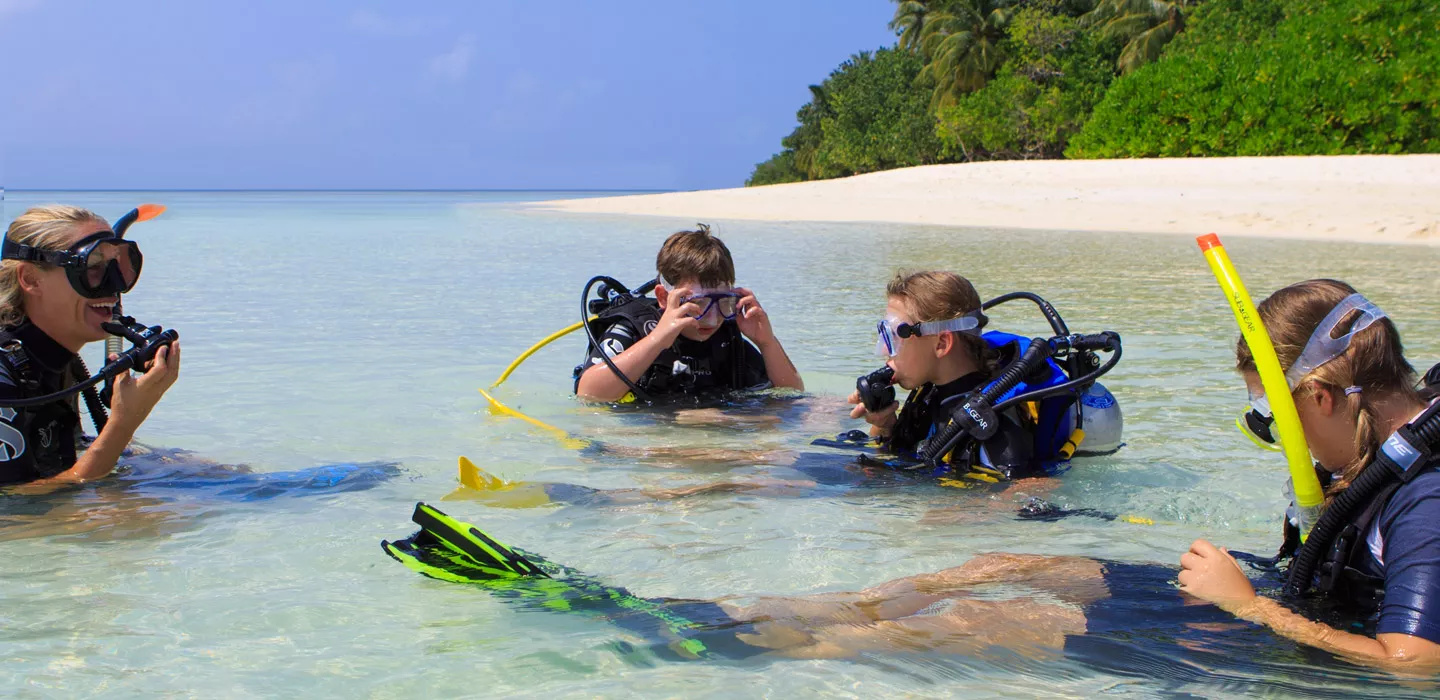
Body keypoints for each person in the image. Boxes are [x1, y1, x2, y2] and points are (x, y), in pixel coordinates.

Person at [1179, 279, 1440, 669]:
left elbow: (1415, 665)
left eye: (1275, 417)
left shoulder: (1425, 501)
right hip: (1342, 615)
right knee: (1090, 581)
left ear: (1320, 396)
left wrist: (1249, 605)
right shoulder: (1382, 464)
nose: (1281, 439)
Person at [844, 271, 1107, 481]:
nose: (885, 352)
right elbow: (902, 453)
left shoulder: (993, 415)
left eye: (894, 337)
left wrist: (962, 515)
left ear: (941, 344)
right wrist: (885, 424)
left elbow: (1032, 487)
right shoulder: (931, 392)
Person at [0, 205, 180, 486]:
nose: (114, 285)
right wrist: (123, 423)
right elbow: (18, 512)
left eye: (119, 265)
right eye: (93, 267)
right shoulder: (5, 372)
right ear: (31, 279)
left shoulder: (53, 357)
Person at [574, 225, 802, 403]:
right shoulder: (634, 329)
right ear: (664, 297)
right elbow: (588, 394)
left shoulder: (729, 339)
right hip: (649, 441)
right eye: (697, 303)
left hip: (709, 432)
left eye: (723, 301)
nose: (711, 318)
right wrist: (658, 339)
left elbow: (793, 395)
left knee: (829, 408)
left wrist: (766, 342)